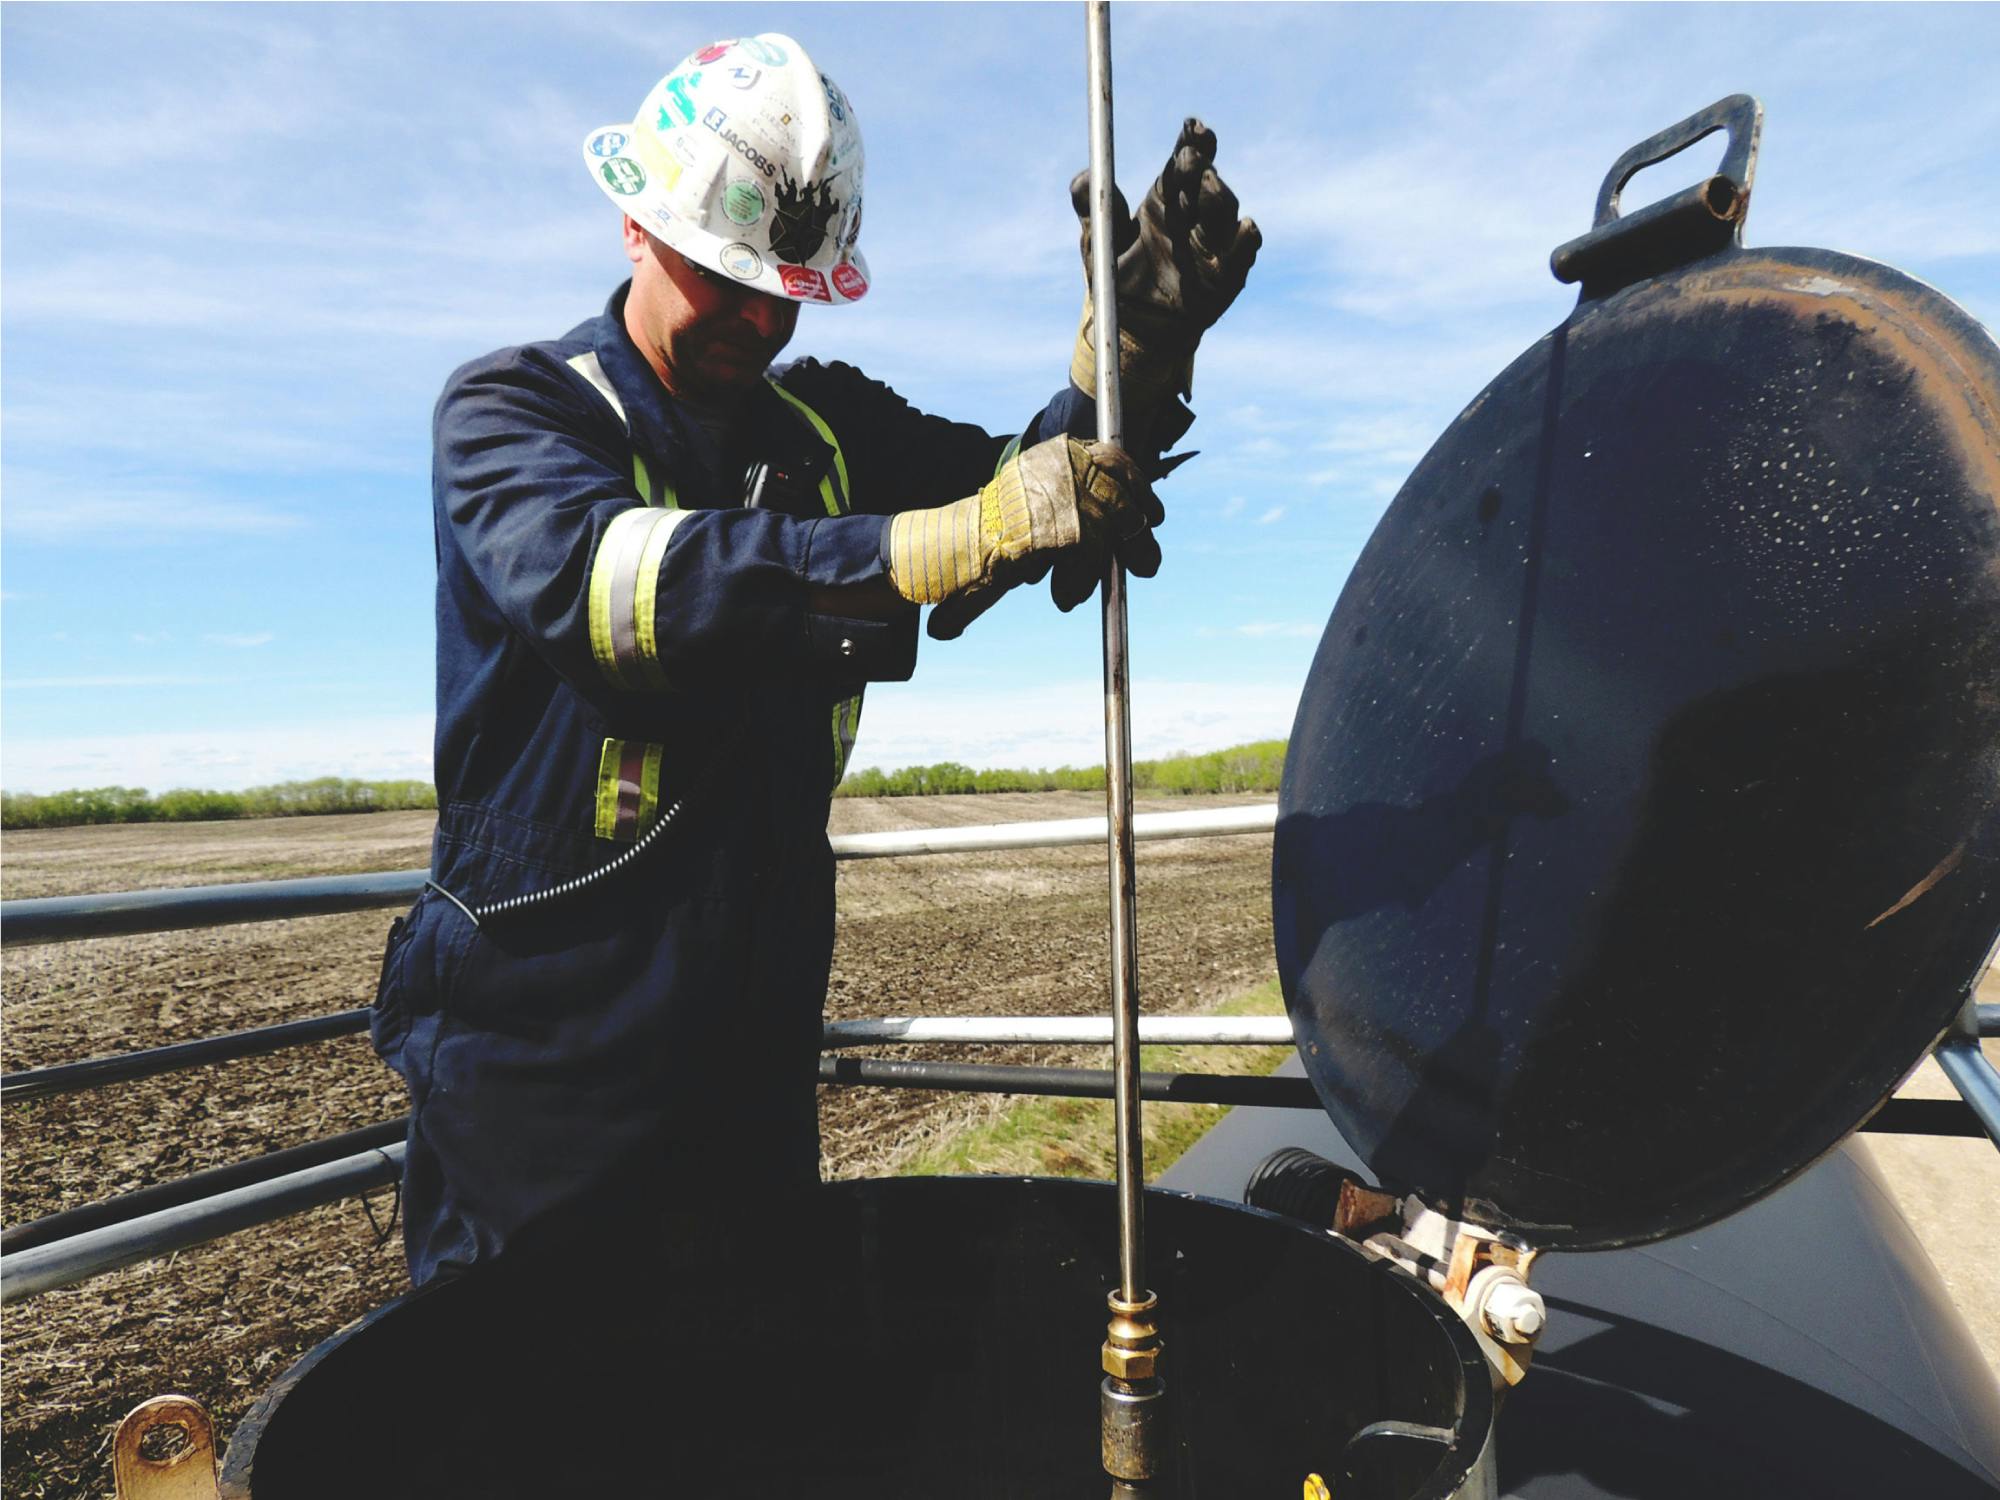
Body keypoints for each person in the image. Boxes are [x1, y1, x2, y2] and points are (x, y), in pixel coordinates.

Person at [370, 33, 1258, 1289]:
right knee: (528, 1409)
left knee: (745, 1394)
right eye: (718, 270)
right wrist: (954, 536)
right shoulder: (518, 412)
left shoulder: (826, 427)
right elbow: (610, 588)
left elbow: (1022, 485)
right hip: (542, 1060)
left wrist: (1130, 359)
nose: (751, 312)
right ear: (634, 228)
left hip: (749, 1037)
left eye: (783, 282)